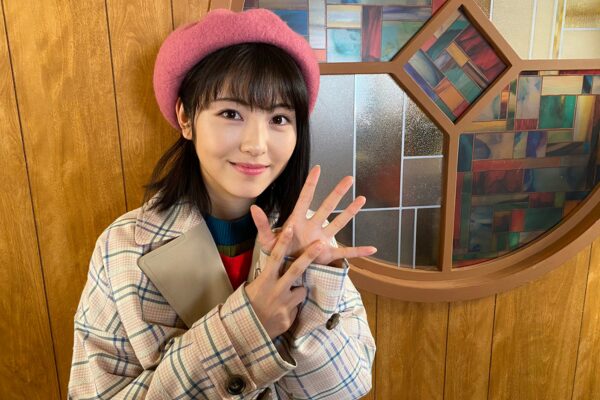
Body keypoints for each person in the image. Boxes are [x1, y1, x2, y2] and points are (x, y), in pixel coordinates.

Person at [68, 8, 377, 399]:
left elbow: (349, 388)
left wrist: (311, 281)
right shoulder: (123, 247)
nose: (256, 144)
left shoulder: (312, 238)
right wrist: (248, 327)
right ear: (186, 118)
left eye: (279, 119)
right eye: (231, 113)